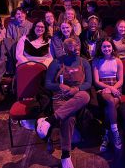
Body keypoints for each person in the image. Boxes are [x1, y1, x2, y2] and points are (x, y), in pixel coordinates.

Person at [37, 36, 91, 168]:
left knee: (85, 96)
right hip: (60, 97)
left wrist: (76, 89)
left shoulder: (84, 62)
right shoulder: (56, 63)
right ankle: (66, 155)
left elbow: (89, 83)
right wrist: (59, 86)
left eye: (77, 46)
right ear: (65, 49)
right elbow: (48, 83)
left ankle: (49, 120)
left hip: (77, 96)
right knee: (68, 118)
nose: (75, 50)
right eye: (71, 48)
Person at [92, 38, 123, 151]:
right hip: (103, 88)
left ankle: (106, 136)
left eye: (109, 46)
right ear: (101, 48)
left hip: (116, 88)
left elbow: (120, 80)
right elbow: (97, 81)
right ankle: (115, 132)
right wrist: (109, 88)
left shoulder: (118, 61)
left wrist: (114, 89)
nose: (107, 49)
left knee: (108, 110)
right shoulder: (96, 61)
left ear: (112, 47)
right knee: (110, 101)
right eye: (104, 47)